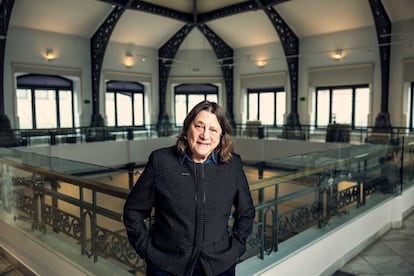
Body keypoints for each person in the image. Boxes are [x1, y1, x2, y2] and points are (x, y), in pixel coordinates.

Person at [123, 100, 255, 276]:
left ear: (222, 135)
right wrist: (147, 249)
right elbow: (133, 210)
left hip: (220, 266)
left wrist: (236, 249)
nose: (205, 135)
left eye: (213, 129)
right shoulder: (161, 161)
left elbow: (246, 212)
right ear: (187, 128)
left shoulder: (233, 165)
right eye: (199, 126)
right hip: (165, 266)